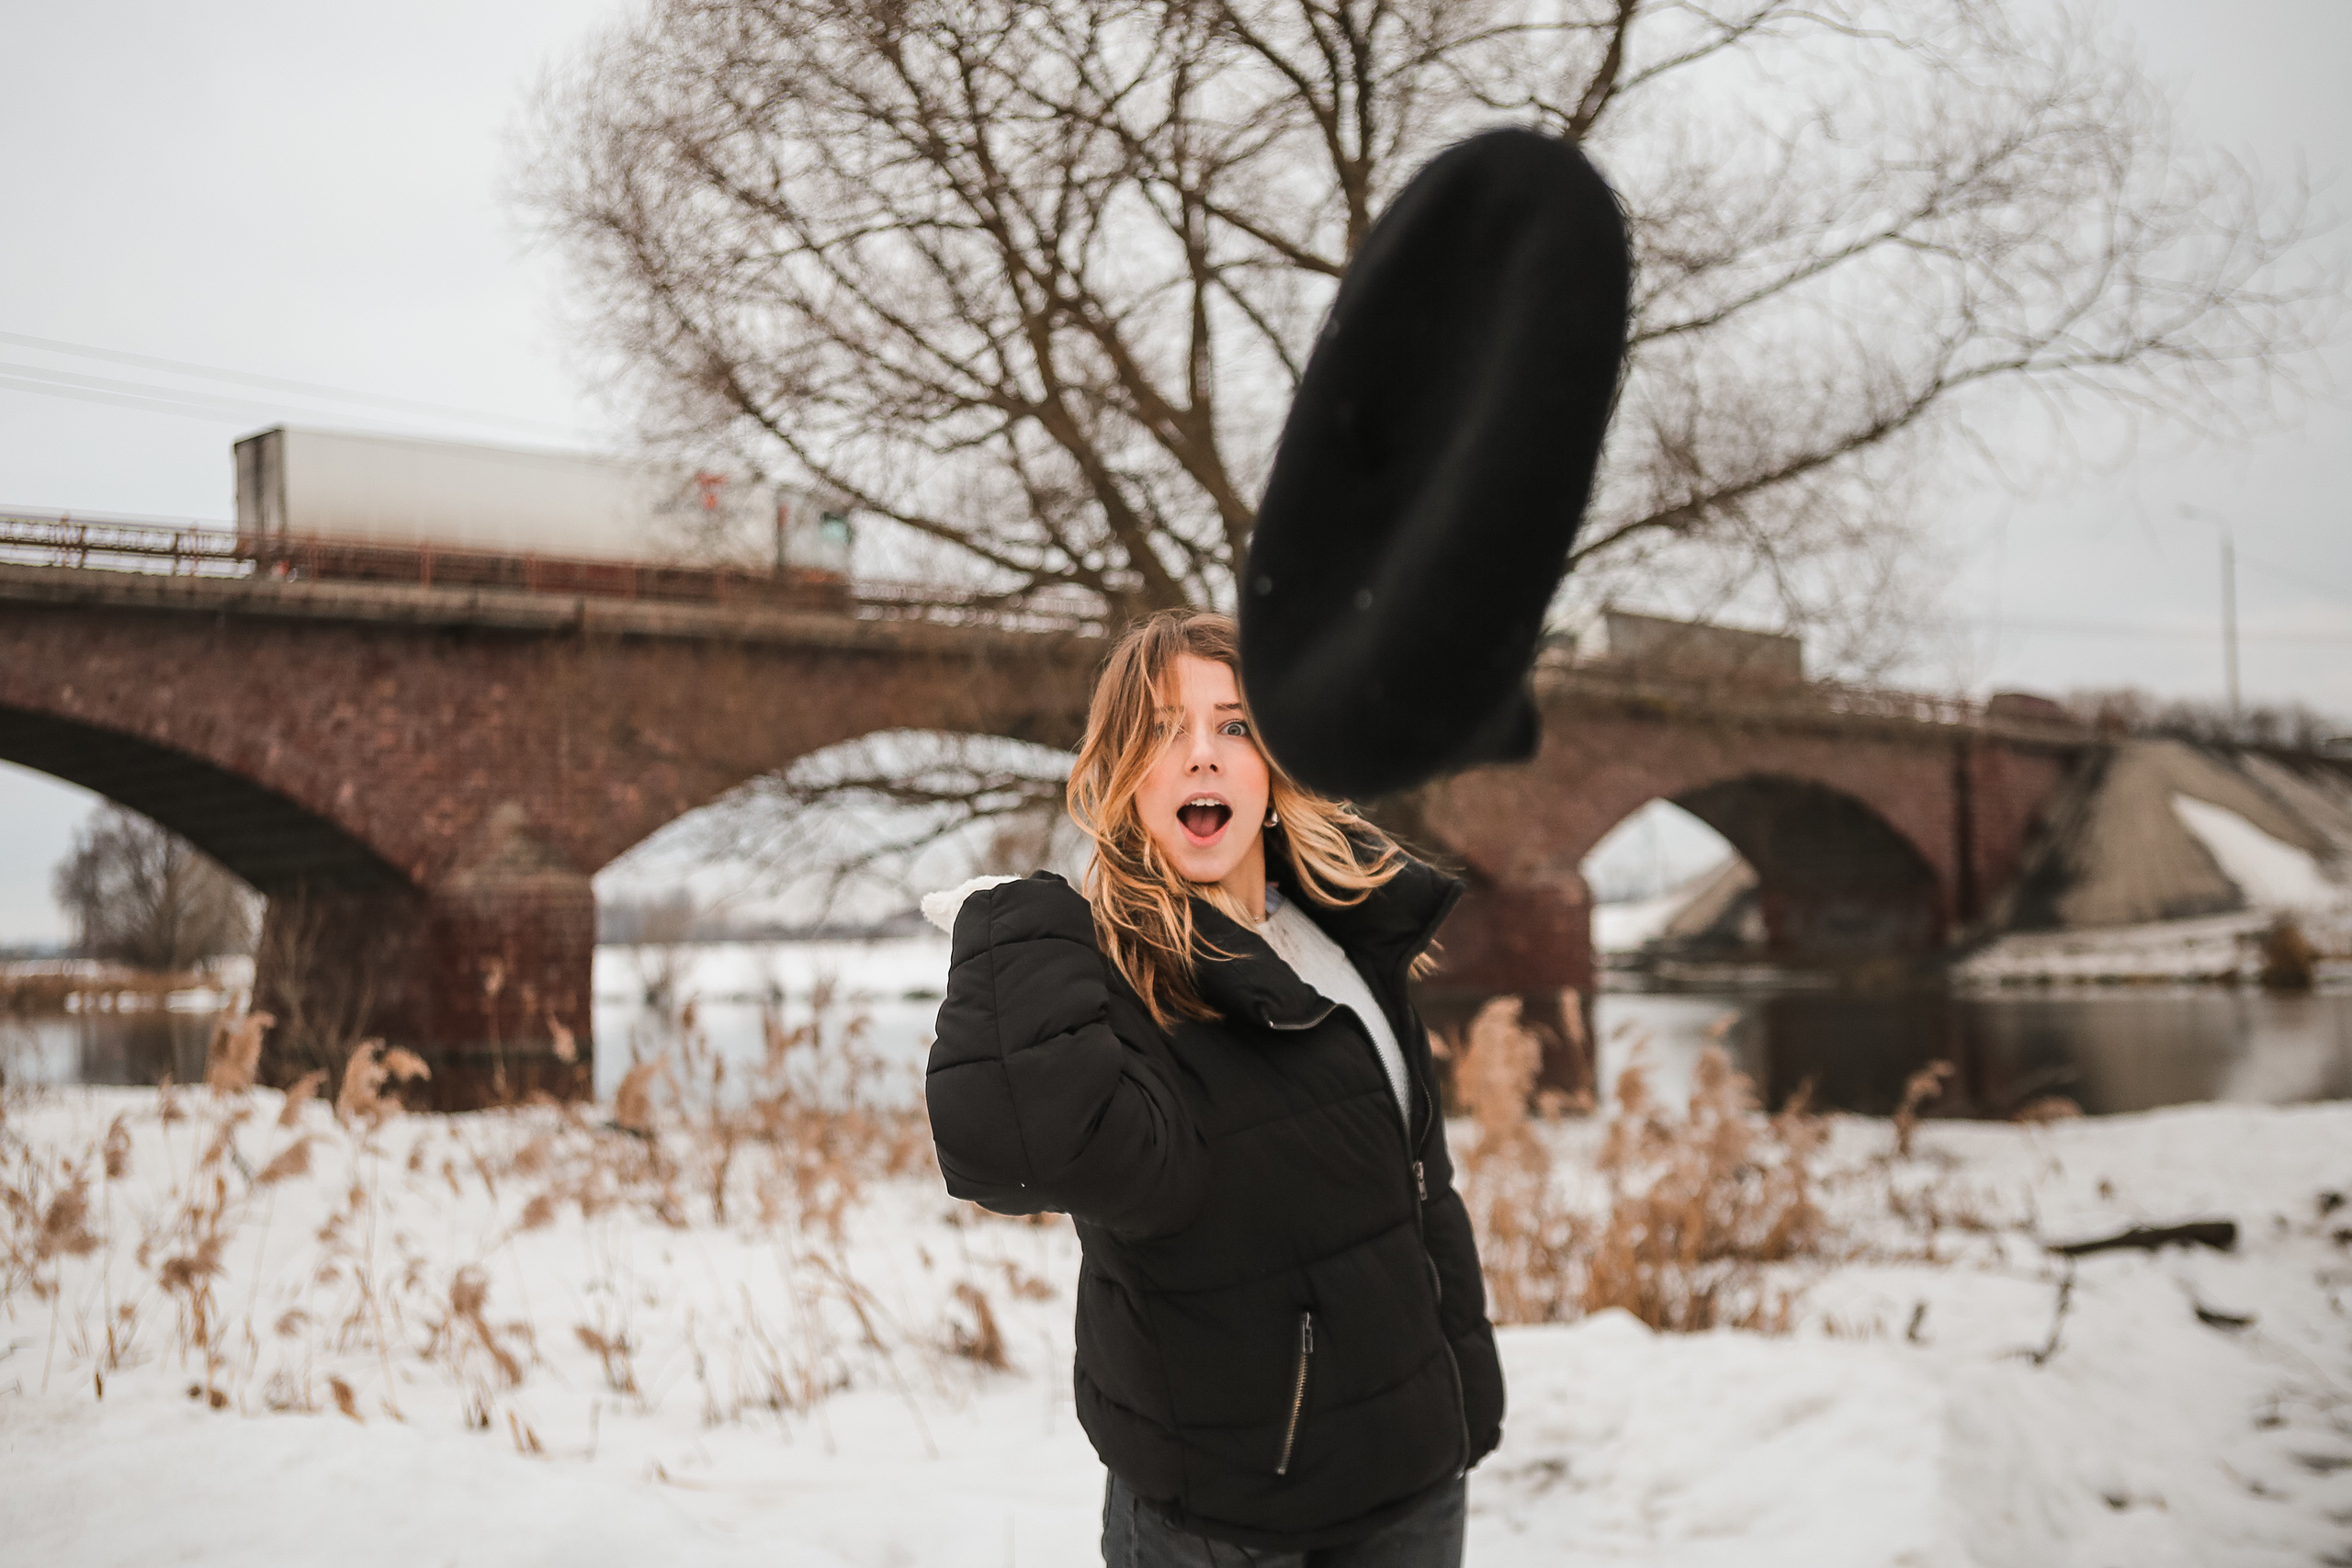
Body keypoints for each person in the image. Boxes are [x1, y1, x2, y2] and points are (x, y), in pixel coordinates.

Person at [926, 609, 1502, 1567]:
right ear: (1123, 775)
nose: (1202, 756)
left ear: (1272, 767)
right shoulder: (1112, 986)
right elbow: (1016, 1158)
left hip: (1413, 1487)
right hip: (1225, 1522)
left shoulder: (1350, 940)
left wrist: (1458, 1400)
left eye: (1235, 726)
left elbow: (1418, 1191)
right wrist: (1010, 933)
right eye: (1163, 730)